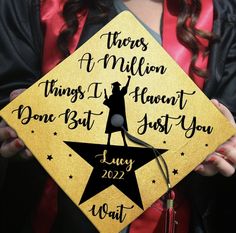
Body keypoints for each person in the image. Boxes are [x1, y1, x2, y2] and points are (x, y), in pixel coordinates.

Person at [0, 0, 236, 233]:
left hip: (168, 218)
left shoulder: (220, 15)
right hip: (57, 214)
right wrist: (14, 126)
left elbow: (228, 110)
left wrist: (224, 145)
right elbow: (11, 86)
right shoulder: (37, 6)